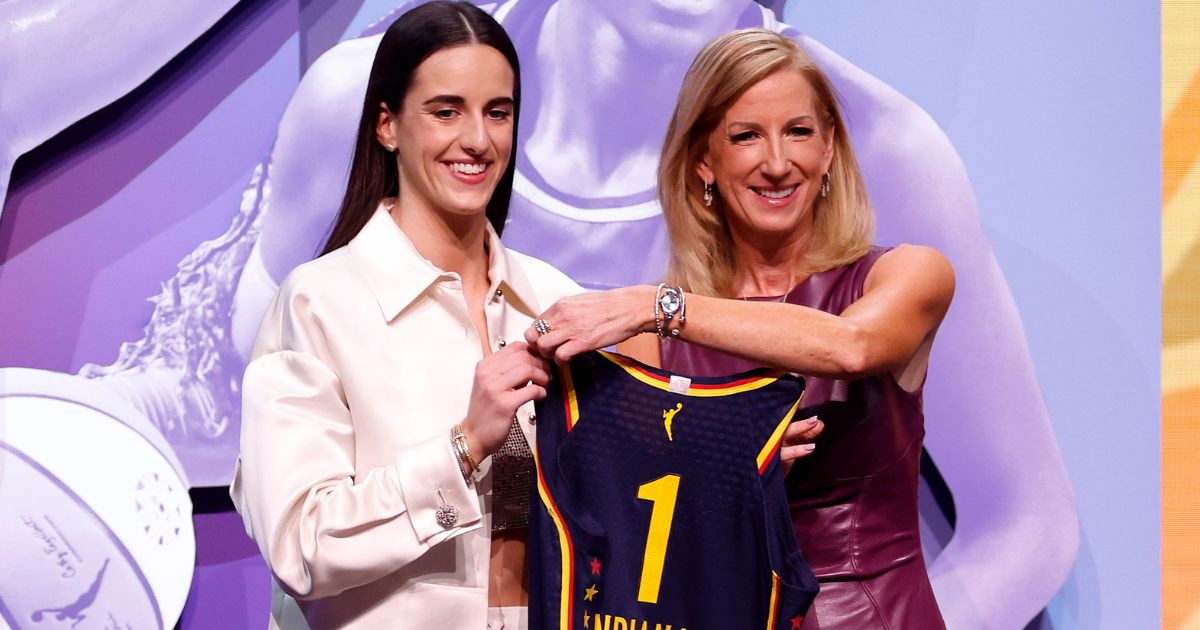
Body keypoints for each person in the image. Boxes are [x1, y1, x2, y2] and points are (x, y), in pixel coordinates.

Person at [525, 28, 955, 628]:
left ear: (829, 148)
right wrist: (734, 480)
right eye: (746, 135)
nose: (778, 163)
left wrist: (663, 306)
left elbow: (851, 347)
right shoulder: (654, 342)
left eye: (799, 132)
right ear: (704, 159)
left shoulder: (907, 275)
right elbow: (644, 532)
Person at [228, 3, 582, 628]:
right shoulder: (318, 303)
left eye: (497, 112)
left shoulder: (556, 300)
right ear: (387, 125)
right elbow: (300, 546)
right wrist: (464, 446)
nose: (477, 139)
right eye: (446, 111)